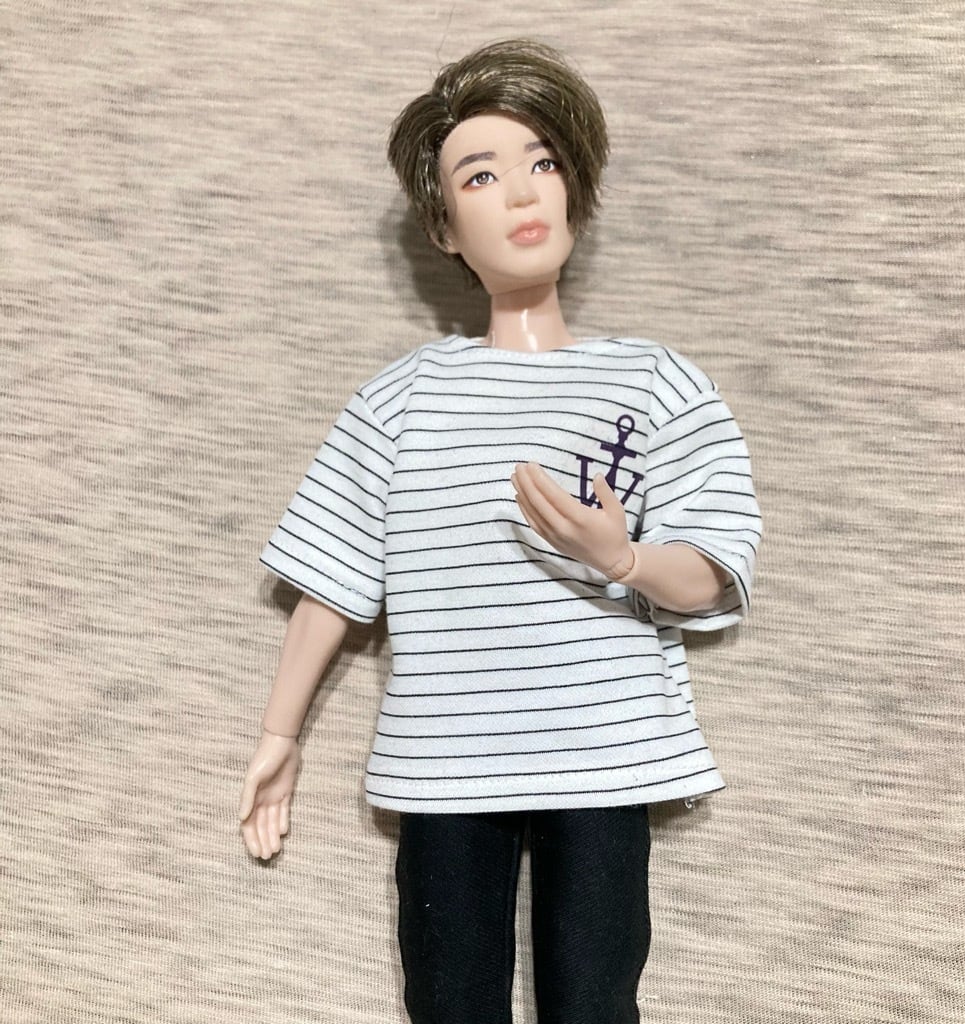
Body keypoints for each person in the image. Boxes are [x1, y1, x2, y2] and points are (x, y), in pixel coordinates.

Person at [239, 39, 761, 1024]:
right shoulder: (402, 400)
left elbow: (713, 566)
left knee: (594, 1000)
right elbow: (334, 579)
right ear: (444, 226)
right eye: (480, 175)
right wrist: (280, 733)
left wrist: (624, 558)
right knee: (447, 997)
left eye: (543, 162)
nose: (521, 192)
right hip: (444, 756)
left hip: (604, 750)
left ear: (575, 190)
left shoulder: (655, 382)